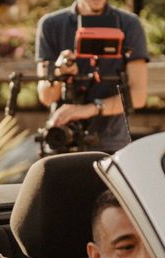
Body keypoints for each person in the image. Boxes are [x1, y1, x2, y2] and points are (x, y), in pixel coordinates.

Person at [35, 0, 149, 153]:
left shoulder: (129, 24)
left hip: (111, 144)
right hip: (61, 140)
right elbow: (47, 97)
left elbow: (138, 96)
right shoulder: (51, 25)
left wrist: (89, 109)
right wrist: (58, 72)